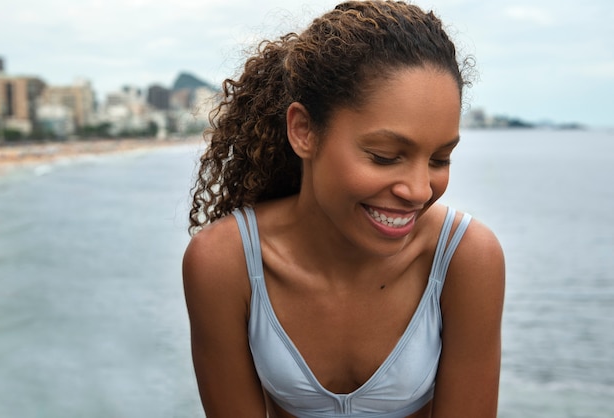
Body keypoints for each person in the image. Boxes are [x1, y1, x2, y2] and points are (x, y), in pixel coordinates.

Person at [183, 1, 505, 417]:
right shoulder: (224, 263)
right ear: (303, 131)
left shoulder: (465, 259)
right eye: (385, 156)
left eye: (439, 160)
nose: (420, 190)